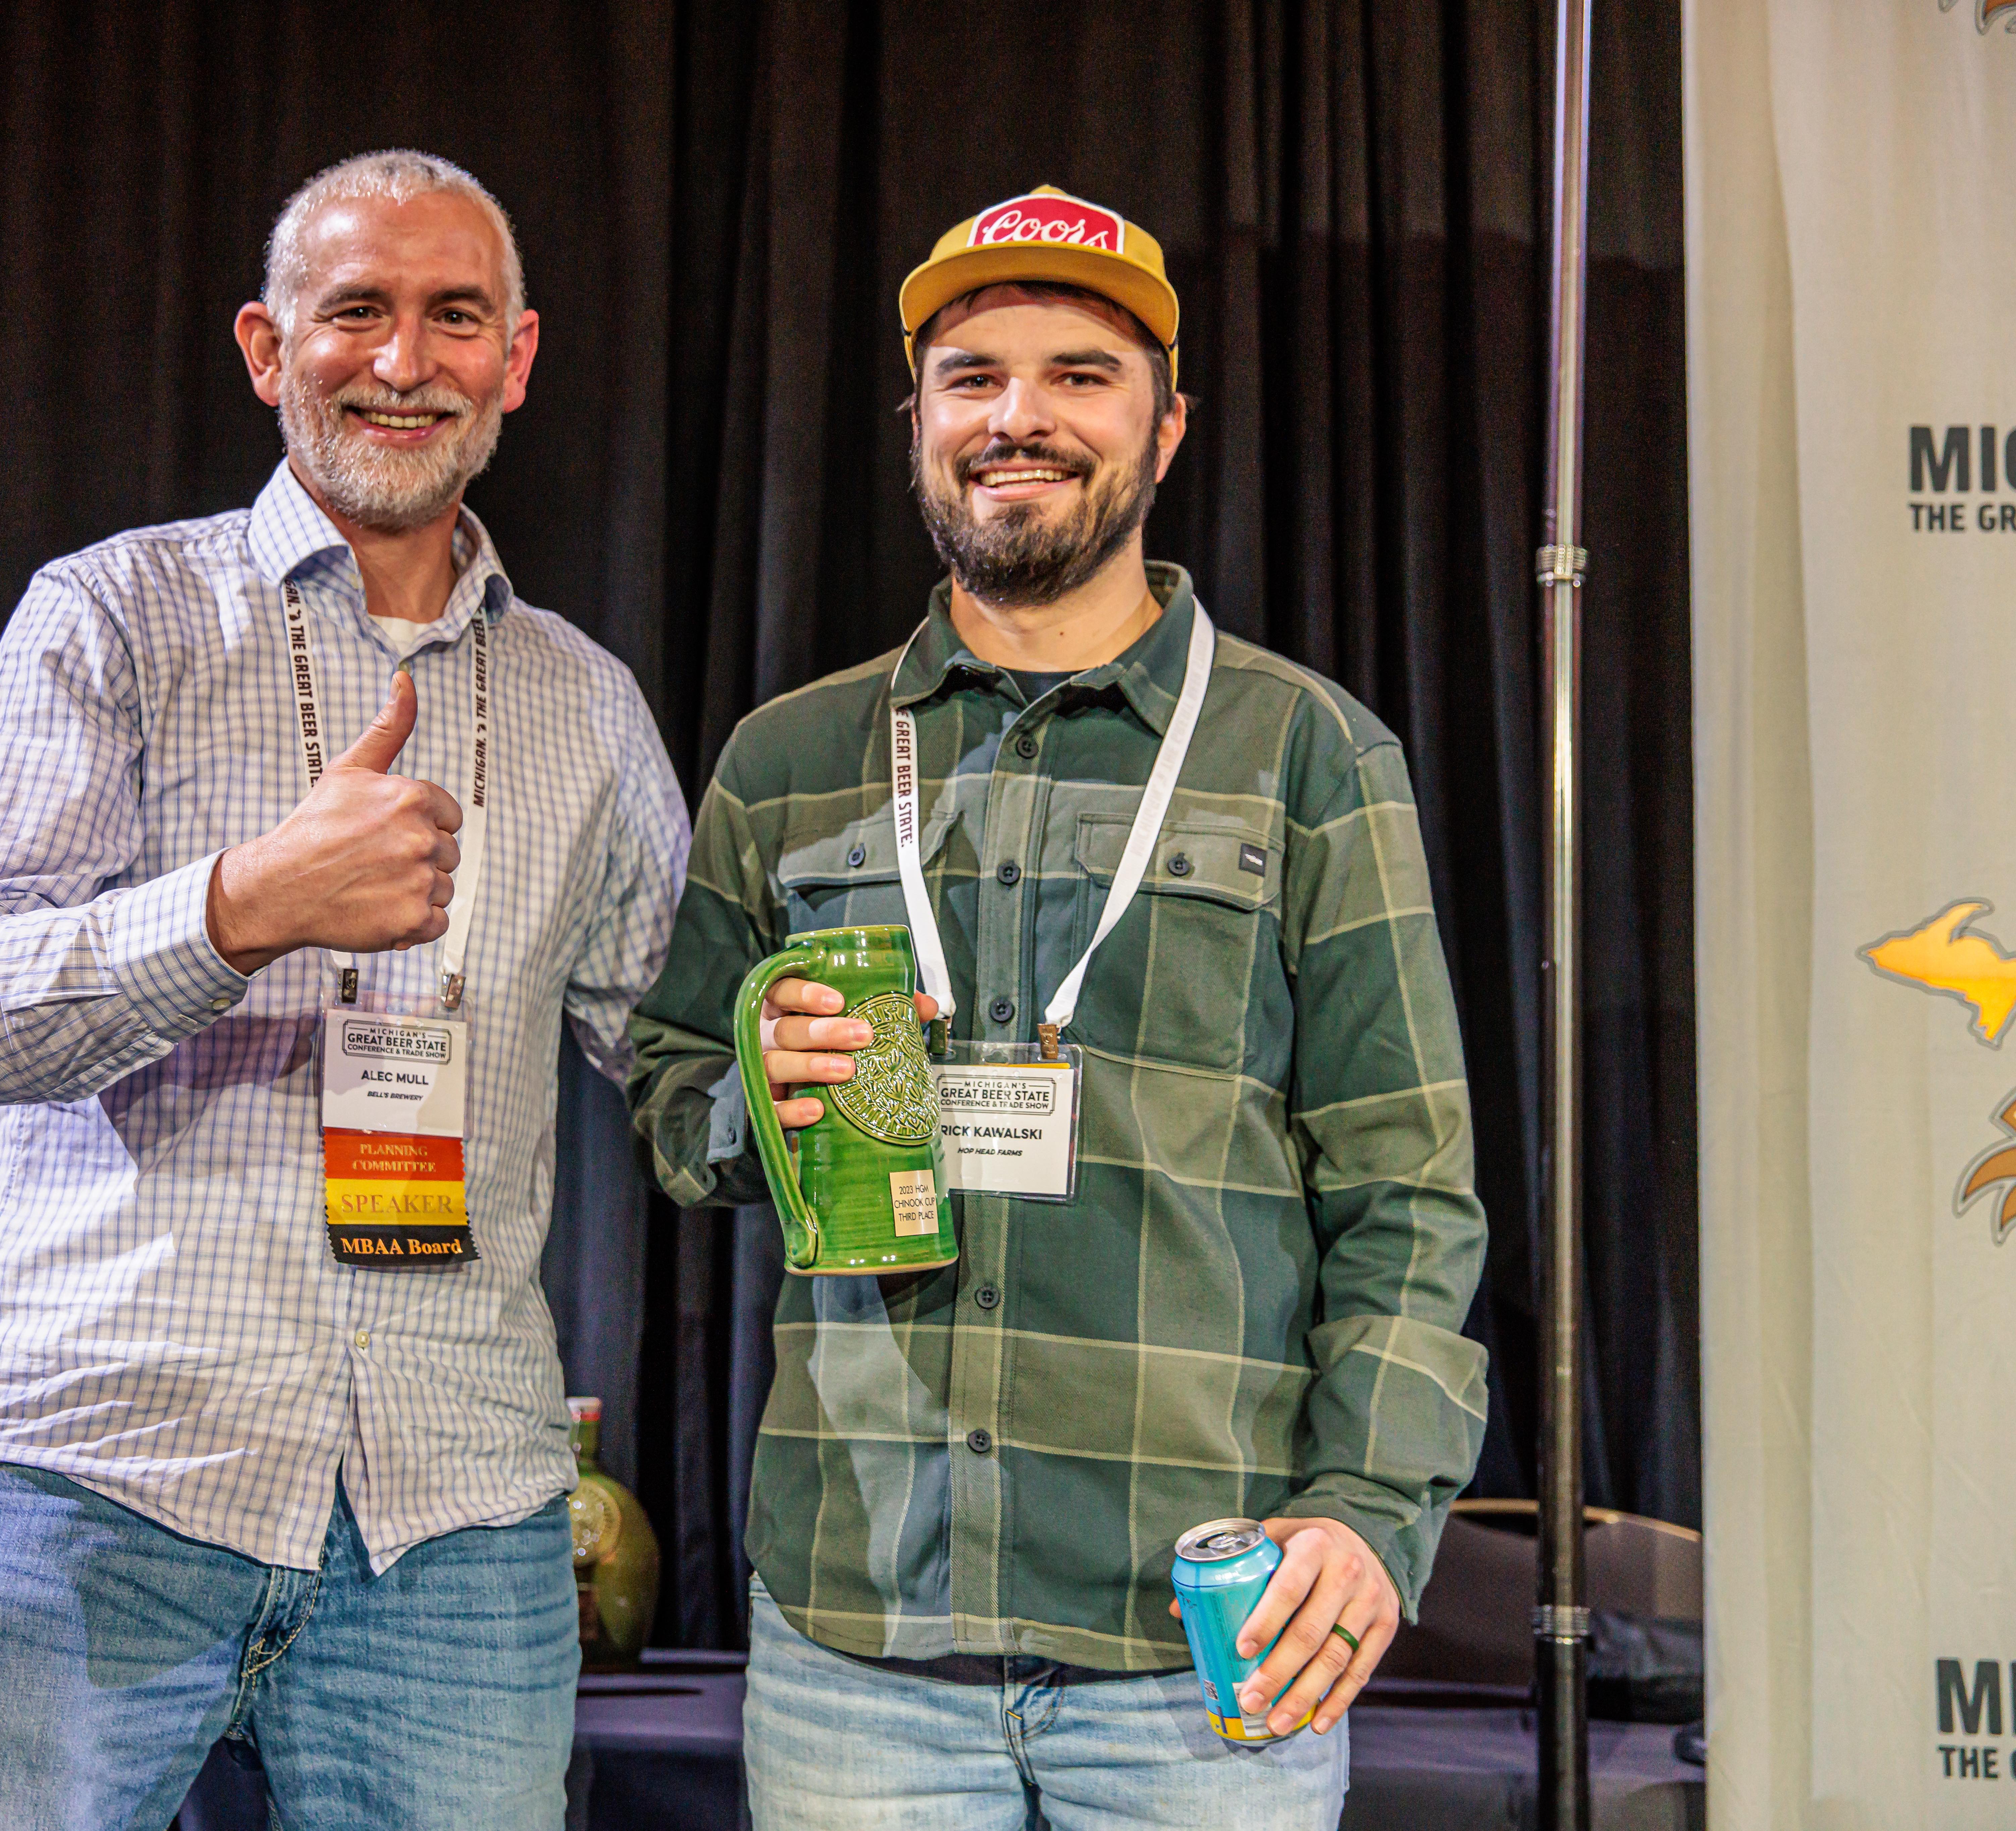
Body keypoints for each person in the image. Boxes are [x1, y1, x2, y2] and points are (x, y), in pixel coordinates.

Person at [627, 186, 1489, 1829]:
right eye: (971, 376)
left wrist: (1370, 1510)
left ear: (1164, 428)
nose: (1017, 416)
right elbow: (675, 1109)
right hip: (857, 1643)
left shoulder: (1306, 756)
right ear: (920, 423)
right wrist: (758, 1086)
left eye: (1079, 375)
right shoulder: (788, 758)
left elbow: (1408, 1188)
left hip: (1199, 1647)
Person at [0, 149, 689, 1831]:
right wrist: (240, 907)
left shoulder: (588, 705)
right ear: (264, 347)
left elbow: (680, 1073)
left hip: (455, 1524)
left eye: (455, 317)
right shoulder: (109, 616)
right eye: (354, 313)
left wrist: (839, 1051)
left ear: (515, 359)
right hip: (93, 1476)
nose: (404, 362)